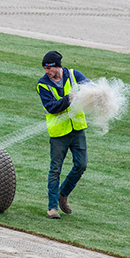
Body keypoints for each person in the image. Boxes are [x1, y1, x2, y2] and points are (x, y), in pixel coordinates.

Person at [37, 50, 91, 219]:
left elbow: (90, 88)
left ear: (57, 66)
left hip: (77, 129)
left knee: (81, 165)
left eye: (49, 68)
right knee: (55, 170)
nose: (46, 71)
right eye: (45, 68)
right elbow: (52, 107)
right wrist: (69, 98)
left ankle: (63, 194)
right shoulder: (42, 84)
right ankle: (52, 207)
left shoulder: (74, 75)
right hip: (59, 133)